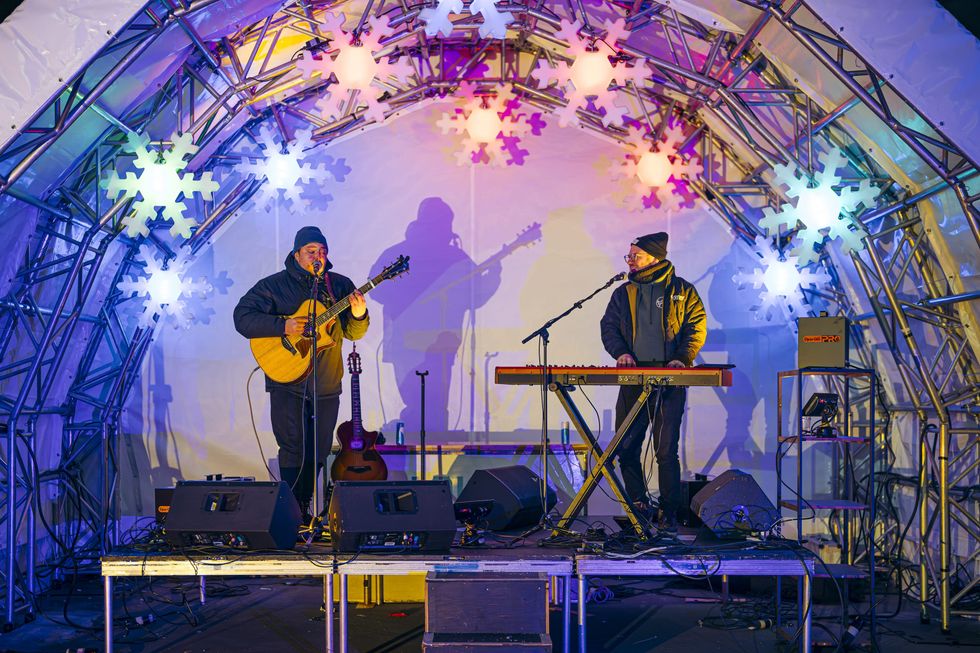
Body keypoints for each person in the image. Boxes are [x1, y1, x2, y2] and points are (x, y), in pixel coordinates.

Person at [233, 226, 368, 517]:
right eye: (310, 251)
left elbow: (353, 331)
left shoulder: (339, 286)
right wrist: (284, 326)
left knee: (319, 449)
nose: (317, 256)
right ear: (296, 254)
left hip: (327, 383)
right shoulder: (274, 286)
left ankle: (308, 508)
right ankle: (293, 512)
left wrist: (359, 315)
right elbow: (242, 318)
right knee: (292, 445)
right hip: (286, 381)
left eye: (322, 251)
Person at [600, 232, 706, 532]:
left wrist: (682, 358)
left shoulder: (682, 291)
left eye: (636, 255)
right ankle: (639, 506)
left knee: (665, 450)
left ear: (655, 258)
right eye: (629, 255)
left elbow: (696, 327)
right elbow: (609, 327)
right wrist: (620, 353)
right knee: (628, 447)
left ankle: (669, 514)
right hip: (633, 378)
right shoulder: (623, 293)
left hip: (670, 379)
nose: (630, 260)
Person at [369, 198, 501, 440]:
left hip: (416, 343)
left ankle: (415, 465)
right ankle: (428, 460)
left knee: (422, 403)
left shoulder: (401, 252)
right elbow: (476, 296)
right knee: (434, 406)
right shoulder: (454, 257)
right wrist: (493, 278)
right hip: (433, 344)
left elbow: (375, 288)